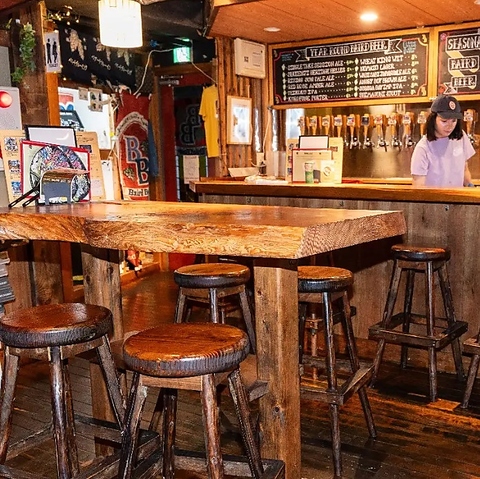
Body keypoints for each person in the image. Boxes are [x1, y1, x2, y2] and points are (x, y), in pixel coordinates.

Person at [411, 94, 475, 187]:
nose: (450, 126)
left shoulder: (461, 137)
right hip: (435, 196)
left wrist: (470, 186)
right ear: (433, 119)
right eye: (444, 121)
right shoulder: (423, 148)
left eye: (454, 121)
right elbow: (419, 185)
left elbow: (464, 169)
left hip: (458, 195)